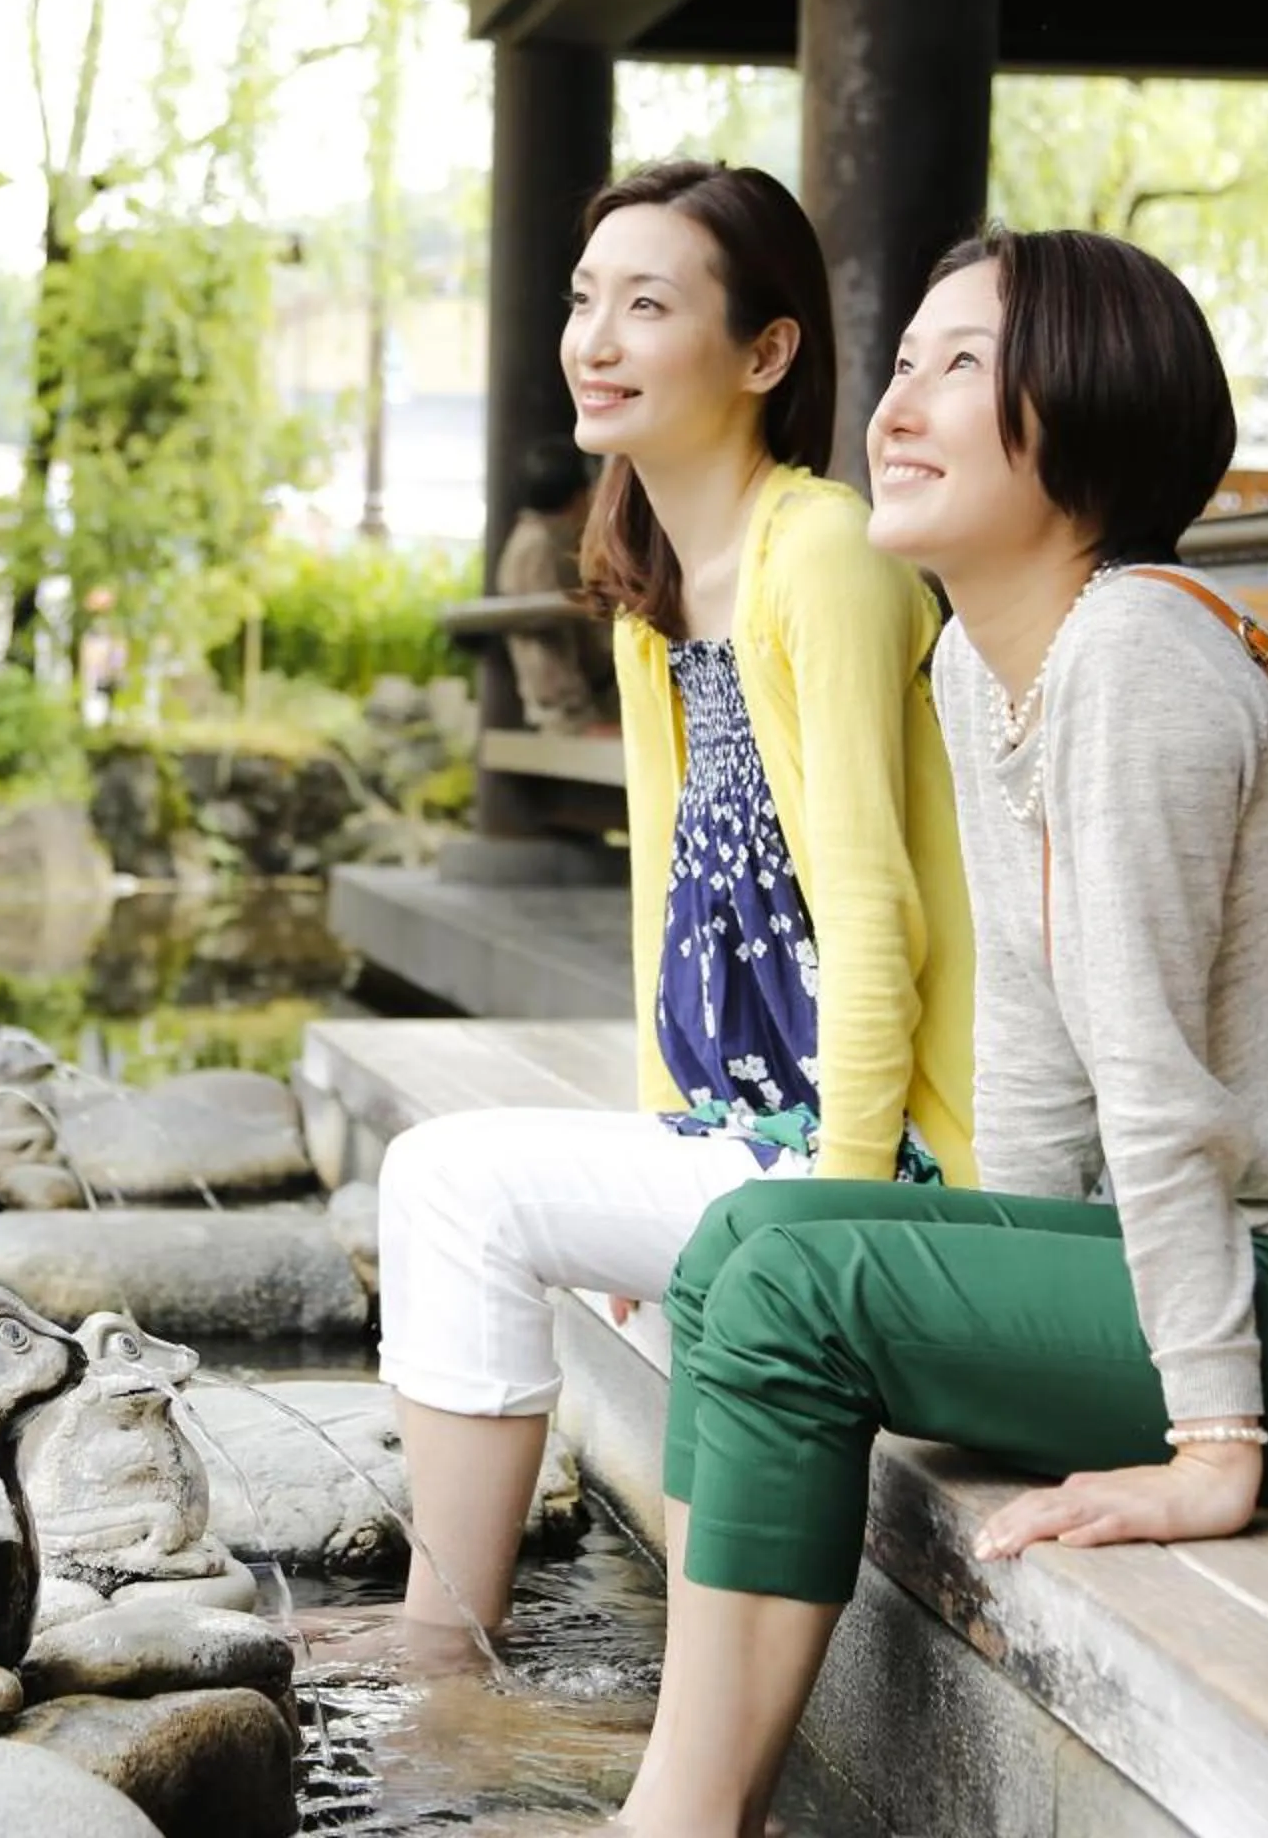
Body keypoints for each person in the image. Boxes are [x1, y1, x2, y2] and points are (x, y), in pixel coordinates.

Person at [607, 227, 1268, 1837]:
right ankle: (697, 1797)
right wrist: (1023, 1298)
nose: (899, 406)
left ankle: (686, 1823)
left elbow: (1153, 1082)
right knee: (744, 1246)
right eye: (904, 363)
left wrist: (1209, 1445)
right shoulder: (987, 673)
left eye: (964, 368)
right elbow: (1033, 1051)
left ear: (1090, 413)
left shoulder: (1135, 653)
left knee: (792, 1282)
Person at [365, 160, 979, 1666]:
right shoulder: (660, 584)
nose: (597, 339)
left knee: (452, 1184)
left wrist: (829, 1212)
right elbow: (671, 907)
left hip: (892, 1164)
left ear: (766, 355)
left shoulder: (822, 551)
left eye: (649, 306)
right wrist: (663, 1142)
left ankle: (444, 1654)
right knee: (457, 1187)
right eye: (587, 302)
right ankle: (462, 1647)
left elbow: (873, 911)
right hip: (753, 1136)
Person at [494, 439, 617, 735]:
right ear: (579, 495)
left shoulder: (547, 539)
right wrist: (579, 719)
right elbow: (543, 647)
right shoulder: (536, 547)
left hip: (584, 703)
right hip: (569, 712)